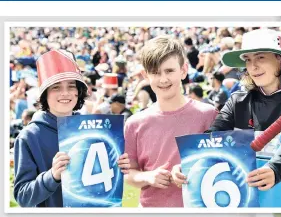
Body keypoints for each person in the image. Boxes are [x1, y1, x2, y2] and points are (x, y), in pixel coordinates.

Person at [172, 29, 281, 208]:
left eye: (260, 58)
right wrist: (189, 164)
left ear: (280, 59)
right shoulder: (237, 101)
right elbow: (211, 139)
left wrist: (275, 168)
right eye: (248, 60)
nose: (253, 66)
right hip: (248, 208)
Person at [13, 49, 130, 207]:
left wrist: (118, 164)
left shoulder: (94, 128)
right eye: (56, 87)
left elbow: (103, 181)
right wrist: (52, 176)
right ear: (45, 93)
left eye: (71, 86)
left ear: (78, 91)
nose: (65, 93)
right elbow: (22, 197)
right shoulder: (29, 136)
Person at [124, 35, 217, 207]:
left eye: (169, 71)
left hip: (198, 211)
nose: (163, 79)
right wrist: (148, 176)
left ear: (183, 70)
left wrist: (190, 170)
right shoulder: (134, 123)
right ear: (145, 75)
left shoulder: (208, 115)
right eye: (155, 73)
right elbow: (129, 172)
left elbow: (220, 163)